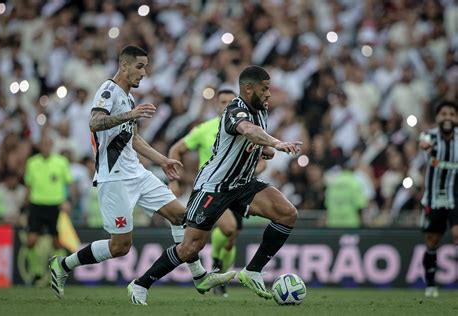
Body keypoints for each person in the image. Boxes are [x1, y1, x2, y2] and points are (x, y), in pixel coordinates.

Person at [48, 45, 233, 300]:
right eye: (139, 66)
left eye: (145, 66)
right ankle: (64, 265)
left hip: (138, 173)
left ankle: (199, 276)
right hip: (114, 179)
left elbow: (133, 138)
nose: (144, 72)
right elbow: (95, 122)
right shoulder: (108, 90)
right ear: (124, 65)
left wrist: (163, 160)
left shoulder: (128, 96)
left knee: (182, 216)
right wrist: (130, 114)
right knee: (120, 247)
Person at [128, 65, 302, 305]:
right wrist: (277, 143)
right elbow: (248, 131)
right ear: (248, 89)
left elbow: (252, 138)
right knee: (190, 248)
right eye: (264, 89)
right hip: (214, 187)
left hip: (243, 184)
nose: (269, 94)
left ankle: (252, 271)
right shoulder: (234, 110)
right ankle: (140, 284)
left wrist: (265, 149)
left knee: (287, 213)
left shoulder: (261, 110)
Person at [169, 88, 266, 297]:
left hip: (239, 188)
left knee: (233, 236)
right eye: (222, 102)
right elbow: (176, 149)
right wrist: (174, 181)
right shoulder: (205, 129)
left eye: (230, 102)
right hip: (213, 190)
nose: (226, 106)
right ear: (216, 105)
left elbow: (261, 158)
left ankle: (220, 274)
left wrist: (254, 169)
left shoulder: (247, 127)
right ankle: (215, 264)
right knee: (229, 228)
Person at [419, 100, 458, 298]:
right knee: (433, 241)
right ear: (437, 117)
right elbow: (423, 140)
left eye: (452, 114)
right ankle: (431, 284)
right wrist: (424, 145)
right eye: (444, 114)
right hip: (434, 198)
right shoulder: (430, 135)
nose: (448, 117)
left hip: (456, 196)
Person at [24, 136, 74, 283]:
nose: (45, 146)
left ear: (52, 144)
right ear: (39, 146)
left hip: (56, 205)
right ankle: (37, 272)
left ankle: (58, 273)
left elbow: (68, 184)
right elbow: (28, 185)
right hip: (36, 205)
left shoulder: (61, 162)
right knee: (31, 241)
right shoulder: (32, 163)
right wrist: (24, 206)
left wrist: (68, 201)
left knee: (57, 242)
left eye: (48, 143)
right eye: (43, 143)